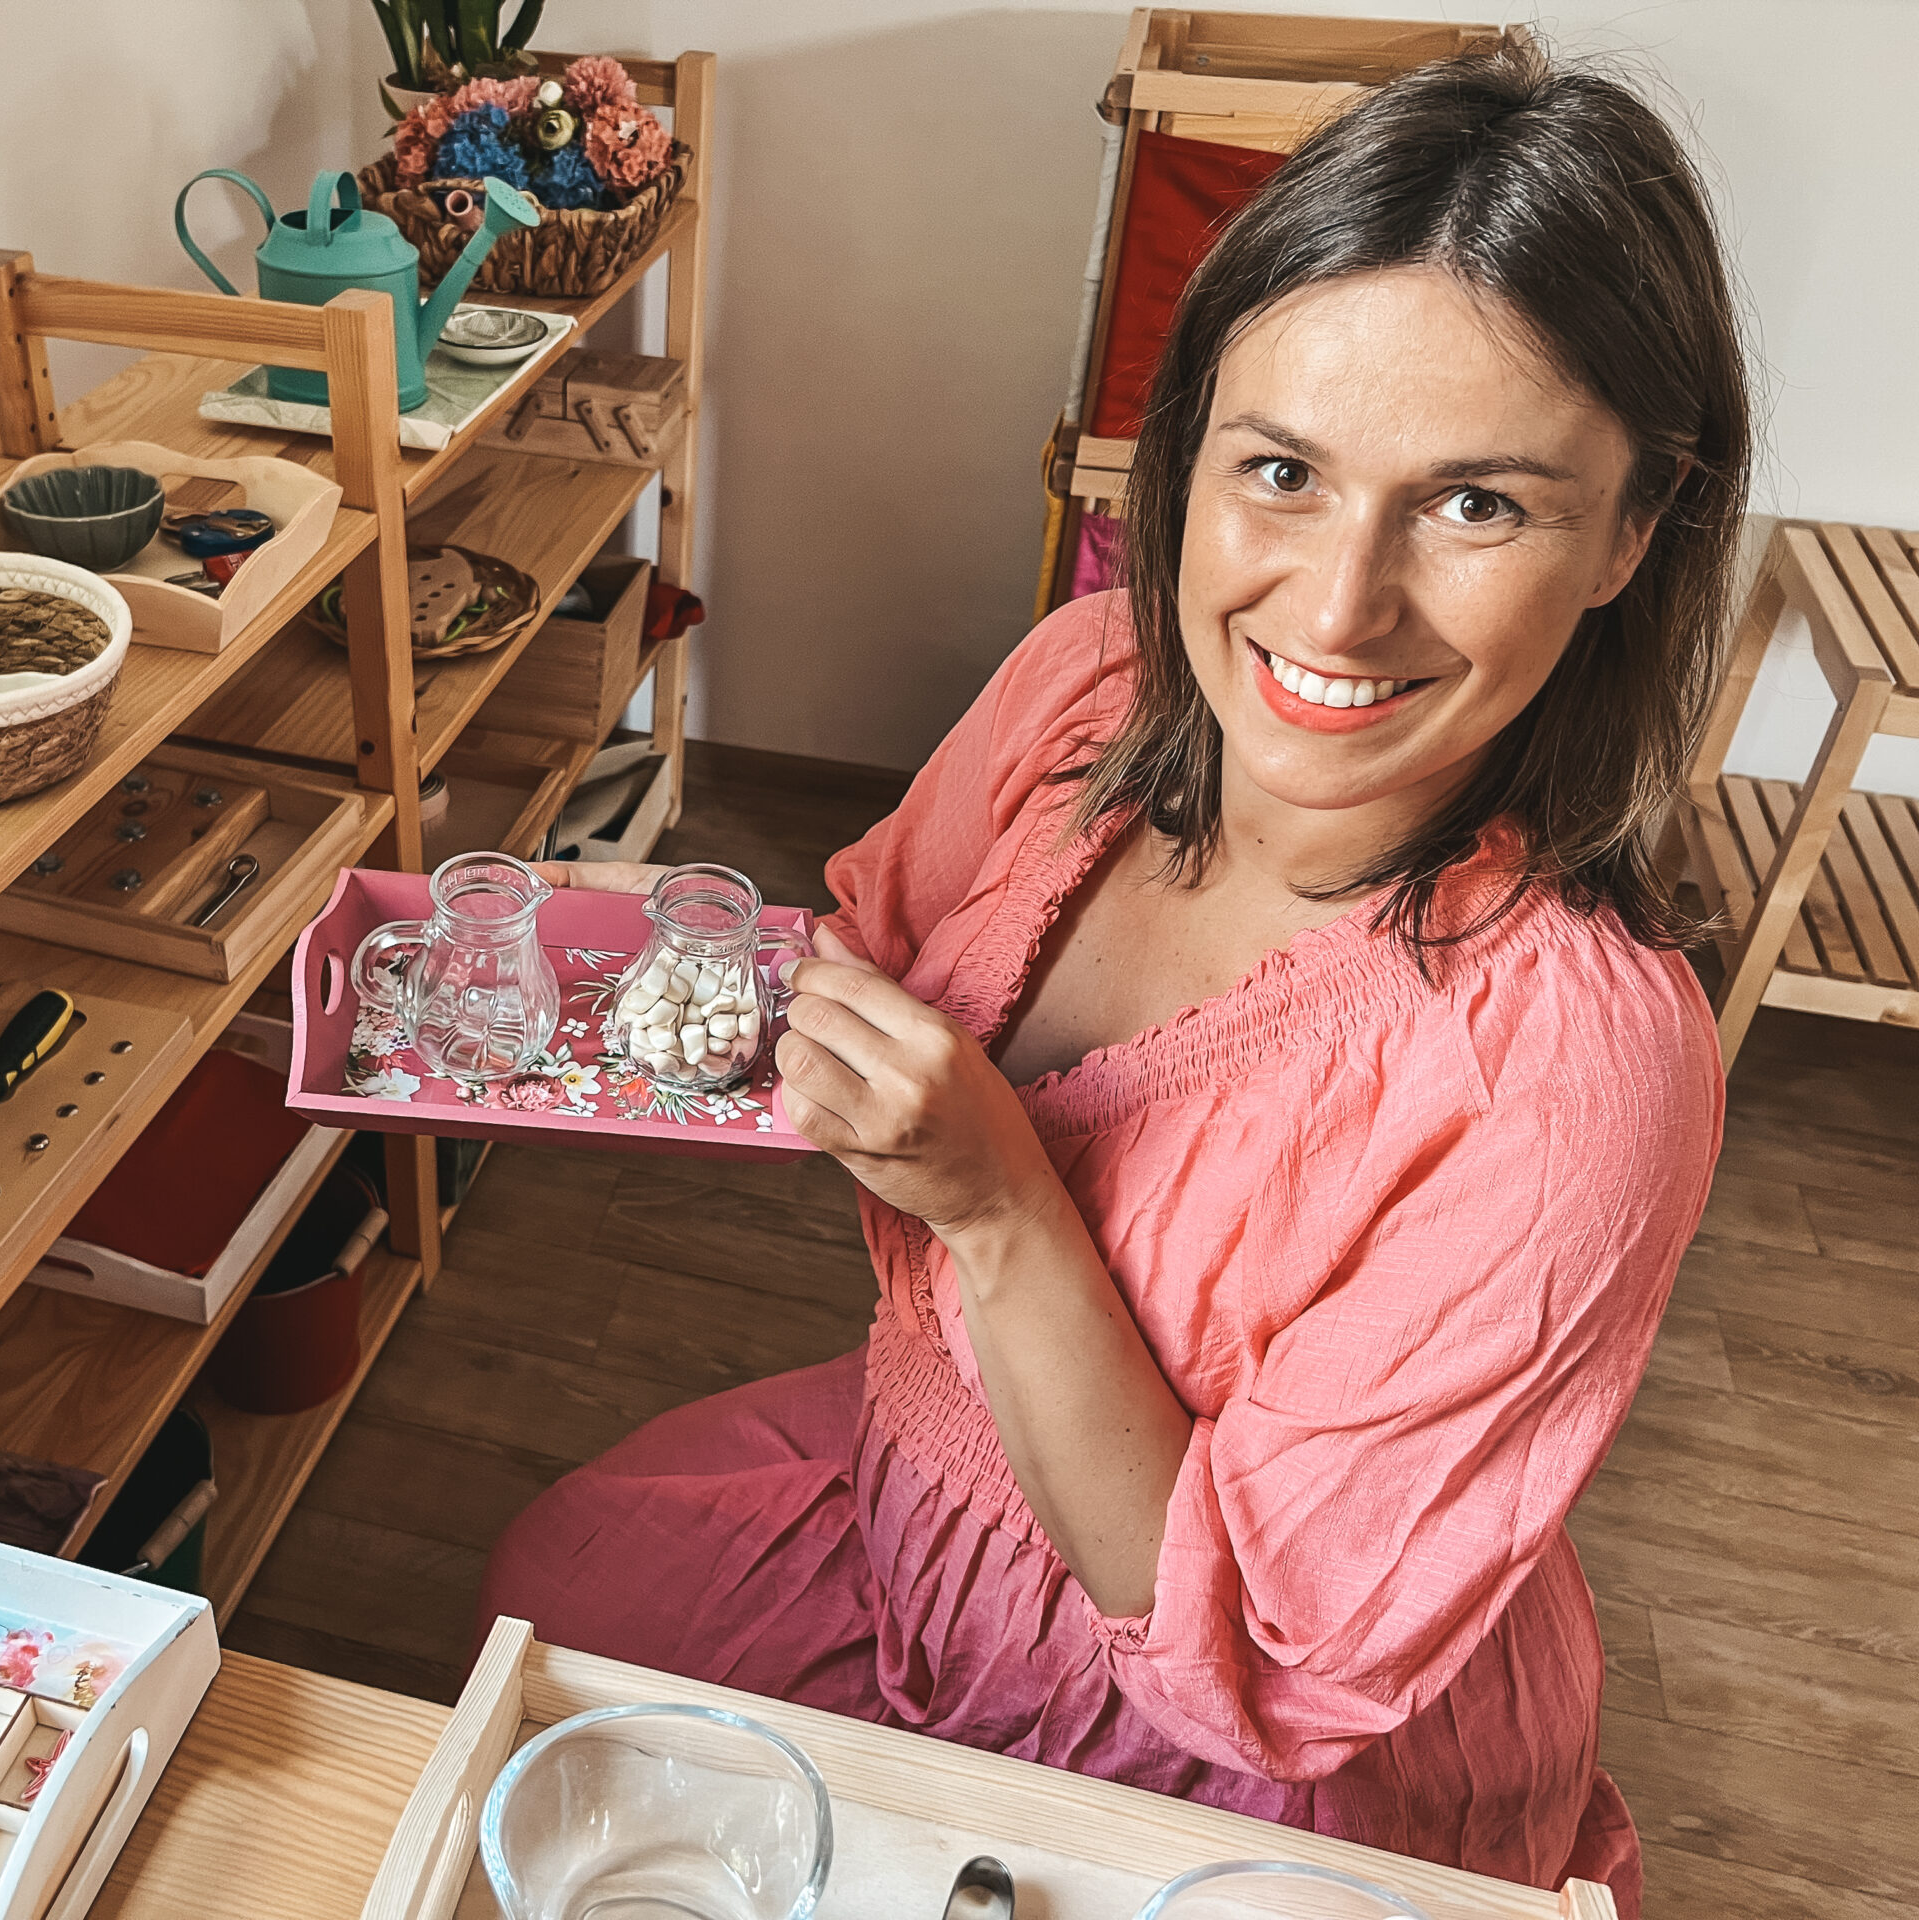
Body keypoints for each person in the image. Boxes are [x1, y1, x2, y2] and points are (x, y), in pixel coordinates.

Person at [478, 38, 1748, 1916]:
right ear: (1187, 454)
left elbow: (1267, 1666)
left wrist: (1001, 1204)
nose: (1337, 607)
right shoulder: (1087, 683)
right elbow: (872, 945)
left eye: (1478, 504)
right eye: (1282, 471)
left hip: (1245, 1742)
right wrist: (637, 981)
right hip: (920, 1492)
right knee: (558, 1605)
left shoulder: (1578, 1066)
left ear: (1636, 528)